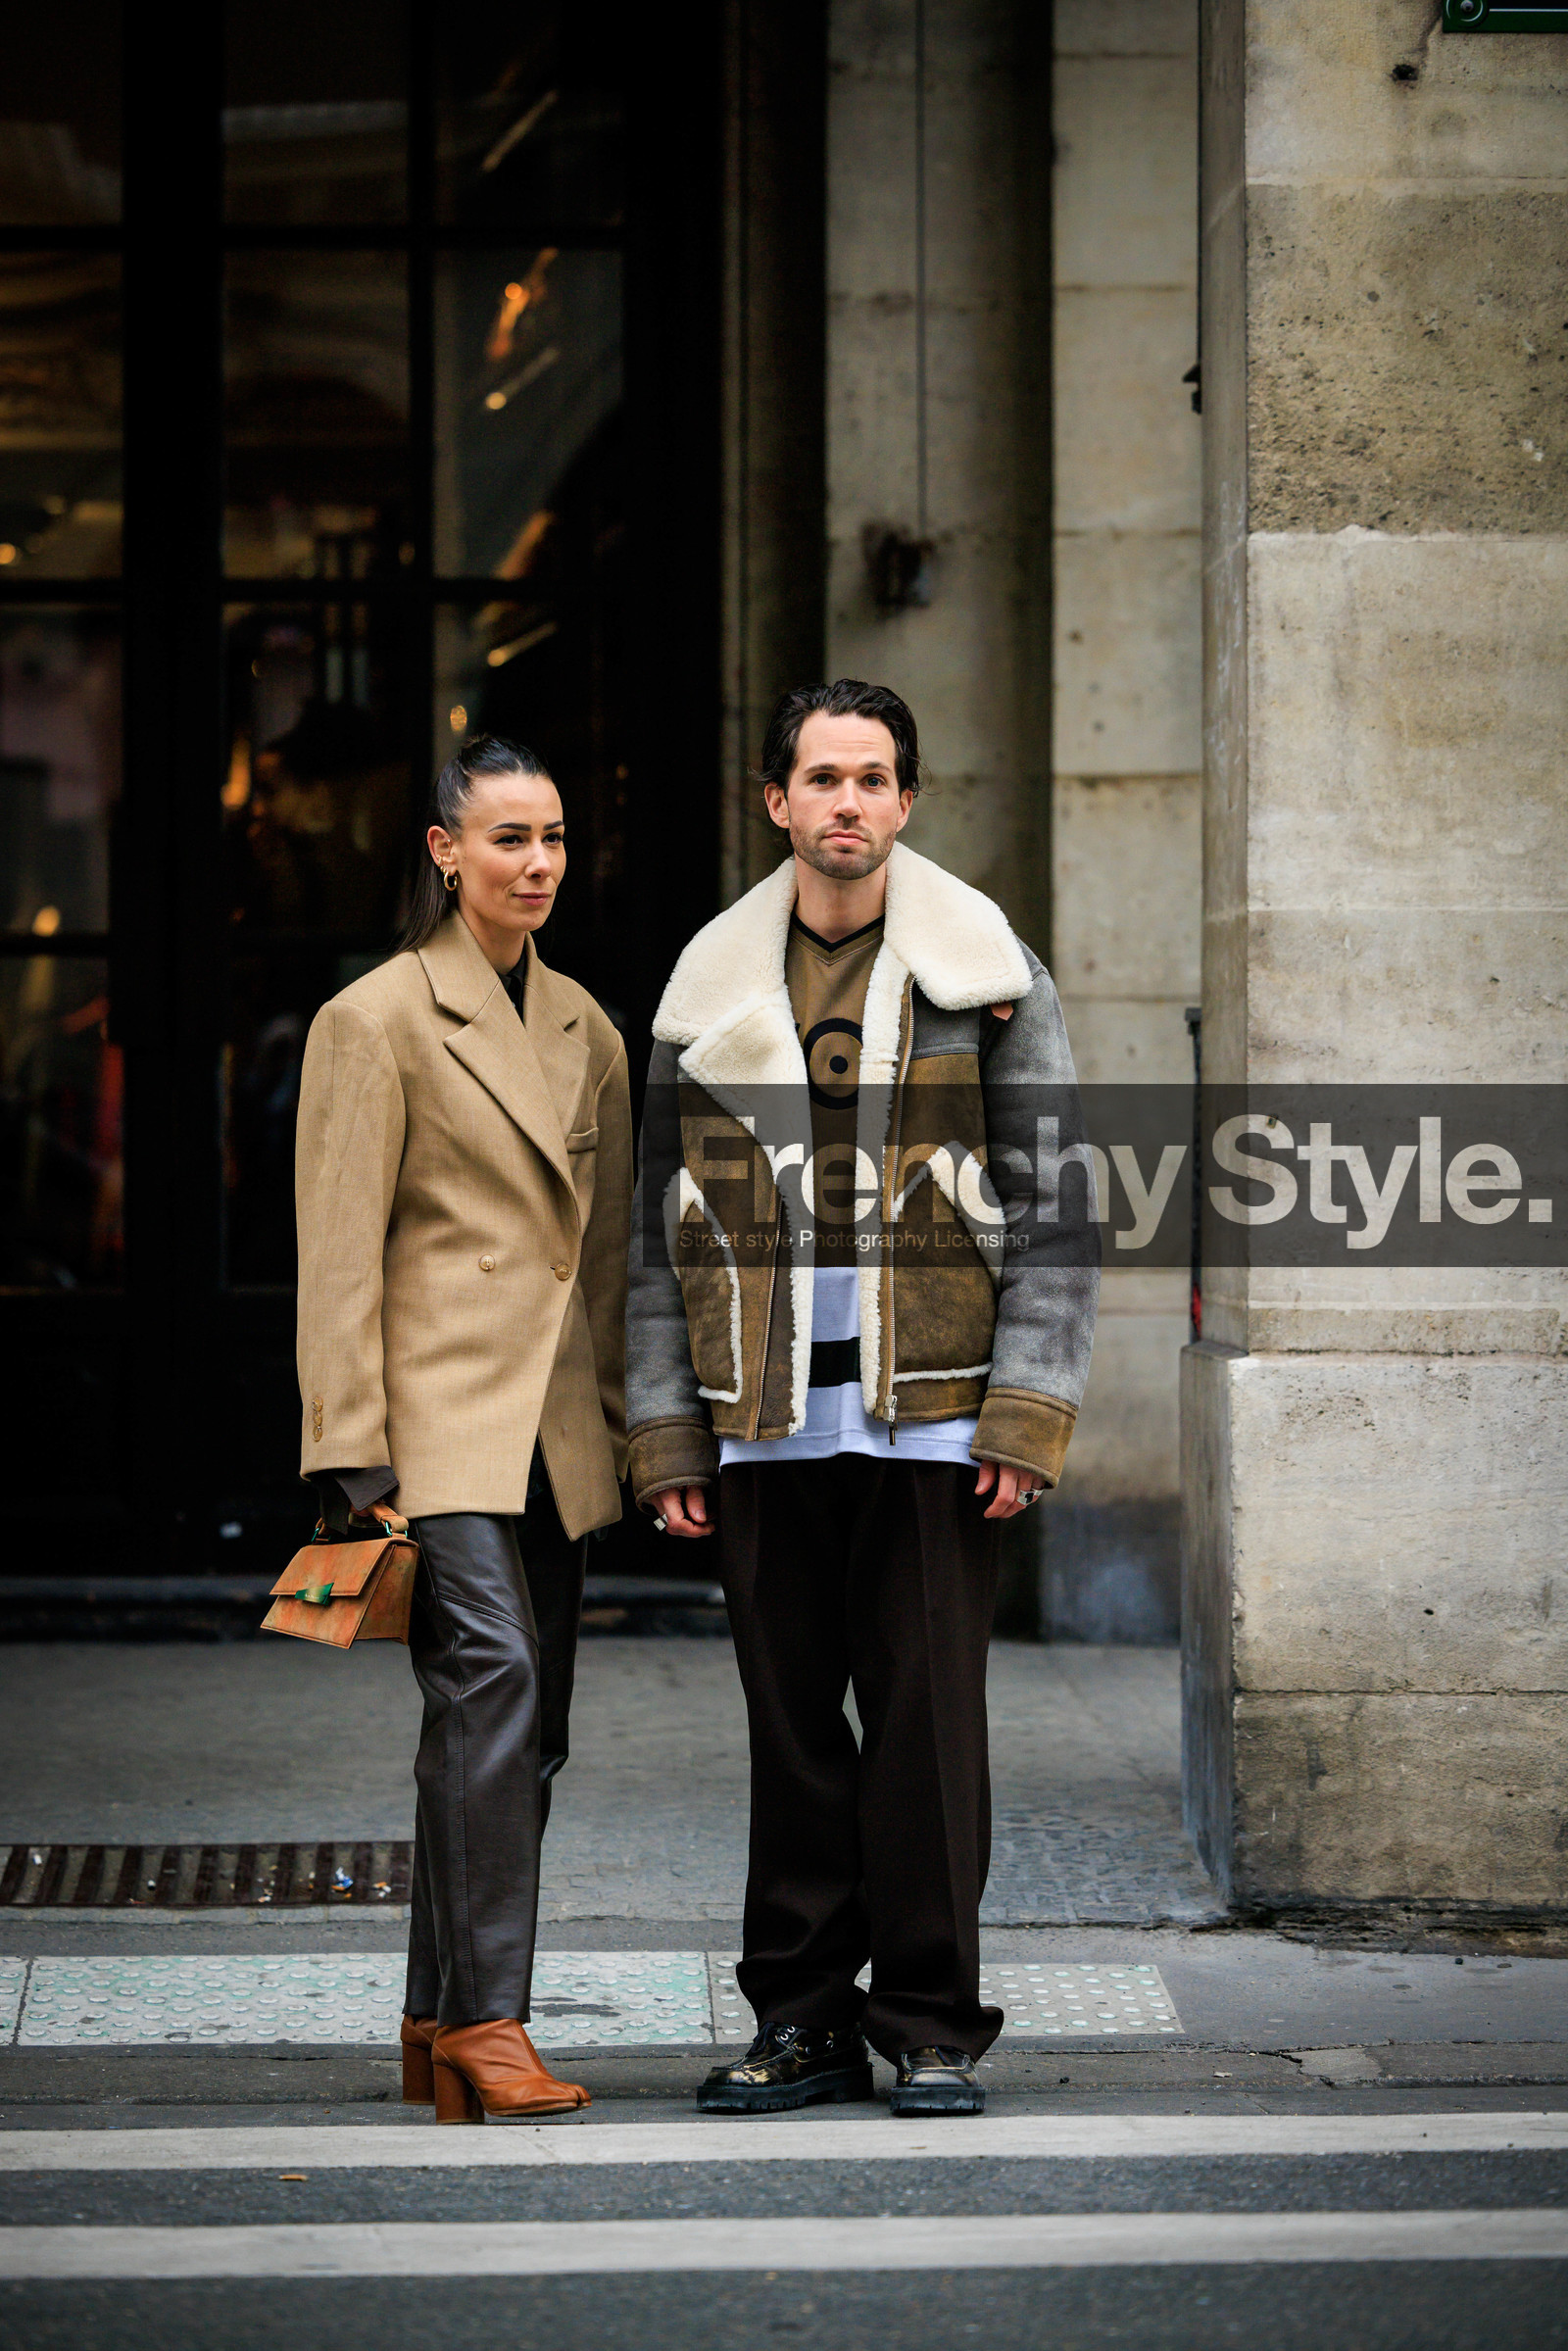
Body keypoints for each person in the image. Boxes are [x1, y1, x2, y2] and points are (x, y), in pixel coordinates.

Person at [626, 679, 1099, 2118]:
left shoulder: (987, 970)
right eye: (821, 778)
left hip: (937, 1419)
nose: (848, 802)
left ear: (906, 800)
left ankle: (933, 2027)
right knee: (791, 1739)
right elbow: (649, 1230)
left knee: (927, 1729)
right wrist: (664, 1431)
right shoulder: (705, 992)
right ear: (775, 802)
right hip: (759, 1418)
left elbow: (1061, 1207)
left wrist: (1027, 1413)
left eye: (874, 778)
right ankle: (804, 2025)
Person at [295, 733, 631, 2122]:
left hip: (554, 1439)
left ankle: (438, 2018)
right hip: (431, 1433)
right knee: (492, 1694)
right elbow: (337, 1253)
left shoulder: (588, 1028)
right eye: (508, 838)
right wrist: (347, 1456)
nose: (537, 862)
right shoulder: (371, 1019)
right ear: (446, 851)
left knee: (517, 1725)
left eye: (552, 837)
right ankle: (493, 2024)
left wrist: (624, 1433)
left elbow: (603, 1261)